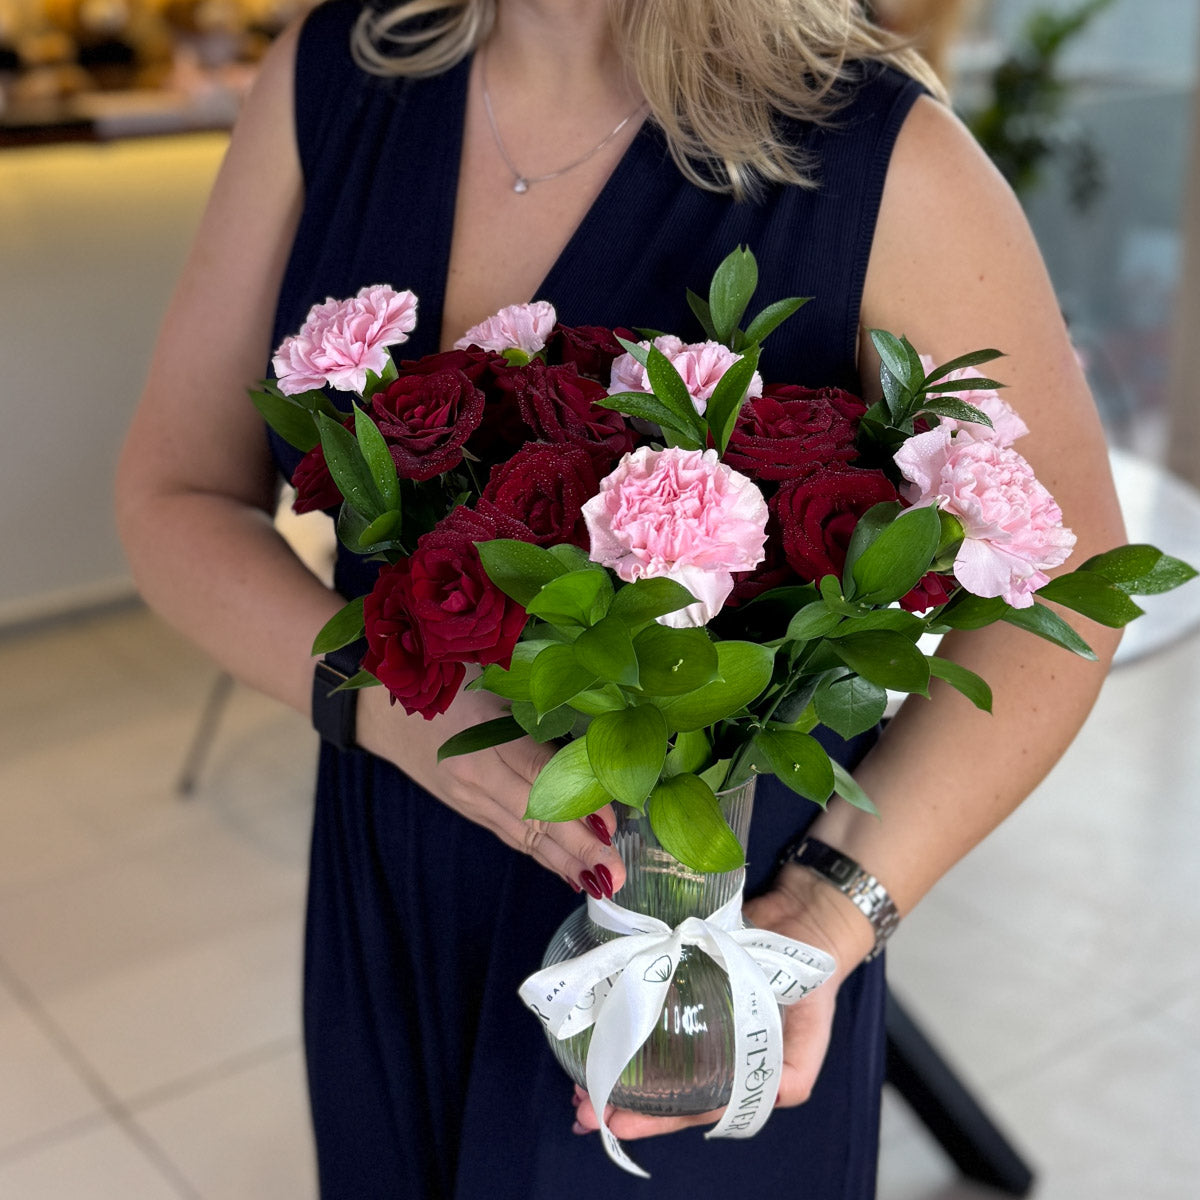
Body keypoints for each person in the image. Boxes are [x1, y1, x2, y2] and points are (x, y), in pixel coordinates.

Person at [115, 0, 1125, 1195]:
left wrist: (833, 910)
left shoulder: (884, 156)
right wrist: (385, 705)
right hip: (394, 872)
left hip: (704, 940)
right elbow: (174, 495)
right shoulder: (335, 73)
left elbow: (1067, 588)